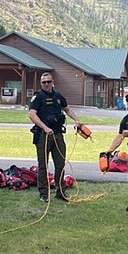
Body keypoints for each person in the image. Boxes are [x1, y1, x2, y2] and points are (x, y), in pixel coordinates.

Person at [28, 72, 81, 202]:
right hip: (43, 136)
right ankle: (44, 194)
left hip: (57, 135)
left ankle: (60, 191)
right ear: (41, 84)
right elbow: (31, 114)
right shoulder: (38, 97)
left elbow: (67, 109)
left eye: (48, 81)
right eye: (43, 82)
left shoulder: (58, 96)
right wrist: (44, 128)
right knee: (43, 165)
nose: (46, 84)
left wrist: (76, 120)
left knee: (60, 163)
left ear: (53, 82)